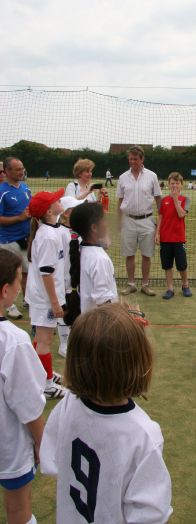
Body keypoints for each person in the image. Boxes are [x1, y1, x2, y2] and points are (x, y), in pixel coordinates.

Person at [40, 304, 173, 524]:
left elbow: (50, 459)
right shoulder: (144, 435)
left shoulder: (67, 405)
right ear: (139, 363)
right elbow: (150, 515)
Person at [0, 248, 46, 524]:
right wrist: (41, 442)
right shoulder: (13, 341)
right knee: (19, 506)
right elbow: (28, 404)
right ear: (6, 290)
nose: (21, 285)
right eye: (19, 279)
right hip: (9, 443)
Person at [26, 189, 66, 399]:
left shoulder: (49, 231)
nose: (60, 201)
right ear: (49, 210)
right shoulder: (48, 236)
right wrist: (55, 303)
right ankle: (47, 385)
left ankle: (40, 373)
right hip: (45, 299)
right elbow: (46, 273)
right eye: (55, 200)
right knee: (44, 340)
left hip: (43, 297)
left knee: (43, 339)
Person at [117, 145, 161, 297]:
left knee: (147, 254)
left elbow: (158, 199)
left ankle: (145, 285)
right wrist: (119, 221)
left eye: (135, 159)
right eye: (130, 159)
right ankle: (131, 284)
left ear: (142, 159)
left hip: (147, 220)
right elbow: (120, 200)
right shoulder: (122, 177)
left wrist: (159, 225)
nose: (132, 162)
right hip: (128, 220)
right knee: (129, 254)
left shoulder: (152, 176)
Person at [64, 202, 118, 326]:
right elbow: (103, 300)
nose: (107, 223)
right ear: (94, 228)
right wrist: (119, 321)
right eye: (103, 219)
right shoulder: (99, 258)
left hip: (87, 322)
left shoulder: (80, 250)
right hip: (99, 326)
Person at [0, 157, 31, 320]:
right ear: (7, 172)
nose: (21, 172)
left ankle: (27, 300)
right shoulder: (2, 191)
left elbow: (30, 209)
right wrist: (19, 218)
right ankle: (9, 305)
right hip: (8, 241)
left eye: (22, 168)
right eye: (17, 169)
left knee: (26, 272)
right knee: (9, 274)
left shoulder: (25, 187)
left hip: (24, 238)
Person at [155, 172, 192, 300]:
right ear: (168, 185)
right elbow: (160, 217)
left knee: (182, 265)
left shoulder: (185, 199)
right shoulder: (163, 201)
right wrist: (157, 233)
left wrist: (176, 199)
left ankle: (185, 285)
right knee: (167, 265)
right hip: (165, 238)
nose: (174, 185)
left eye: (177, 183)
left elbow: (182, 215)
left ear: (181, 185)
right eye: (172, 183)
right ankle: (170, 288)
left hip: (179, 238)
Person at [57, 196, 85, 358]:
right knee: (64, 311)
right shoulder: (60, 233)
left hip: (77, 280)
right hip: (64, 281)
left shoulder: (79, 231)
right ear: (66, 214)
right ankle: (63, 345)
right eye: (74, 209)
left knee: (76, 310)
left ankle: (74, 342)